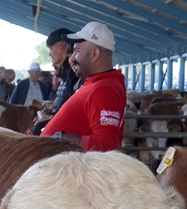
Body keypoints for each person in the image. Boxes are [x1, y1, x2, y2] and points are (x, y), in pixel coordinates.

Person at [40, 21, 126, 152]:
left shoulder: (105, 90)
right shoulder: (97, 83)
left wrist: (59, 138)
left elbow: (107, 144)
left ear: (94, 54)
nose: (72, 58)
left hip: (57, 166)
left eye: (77, 52)